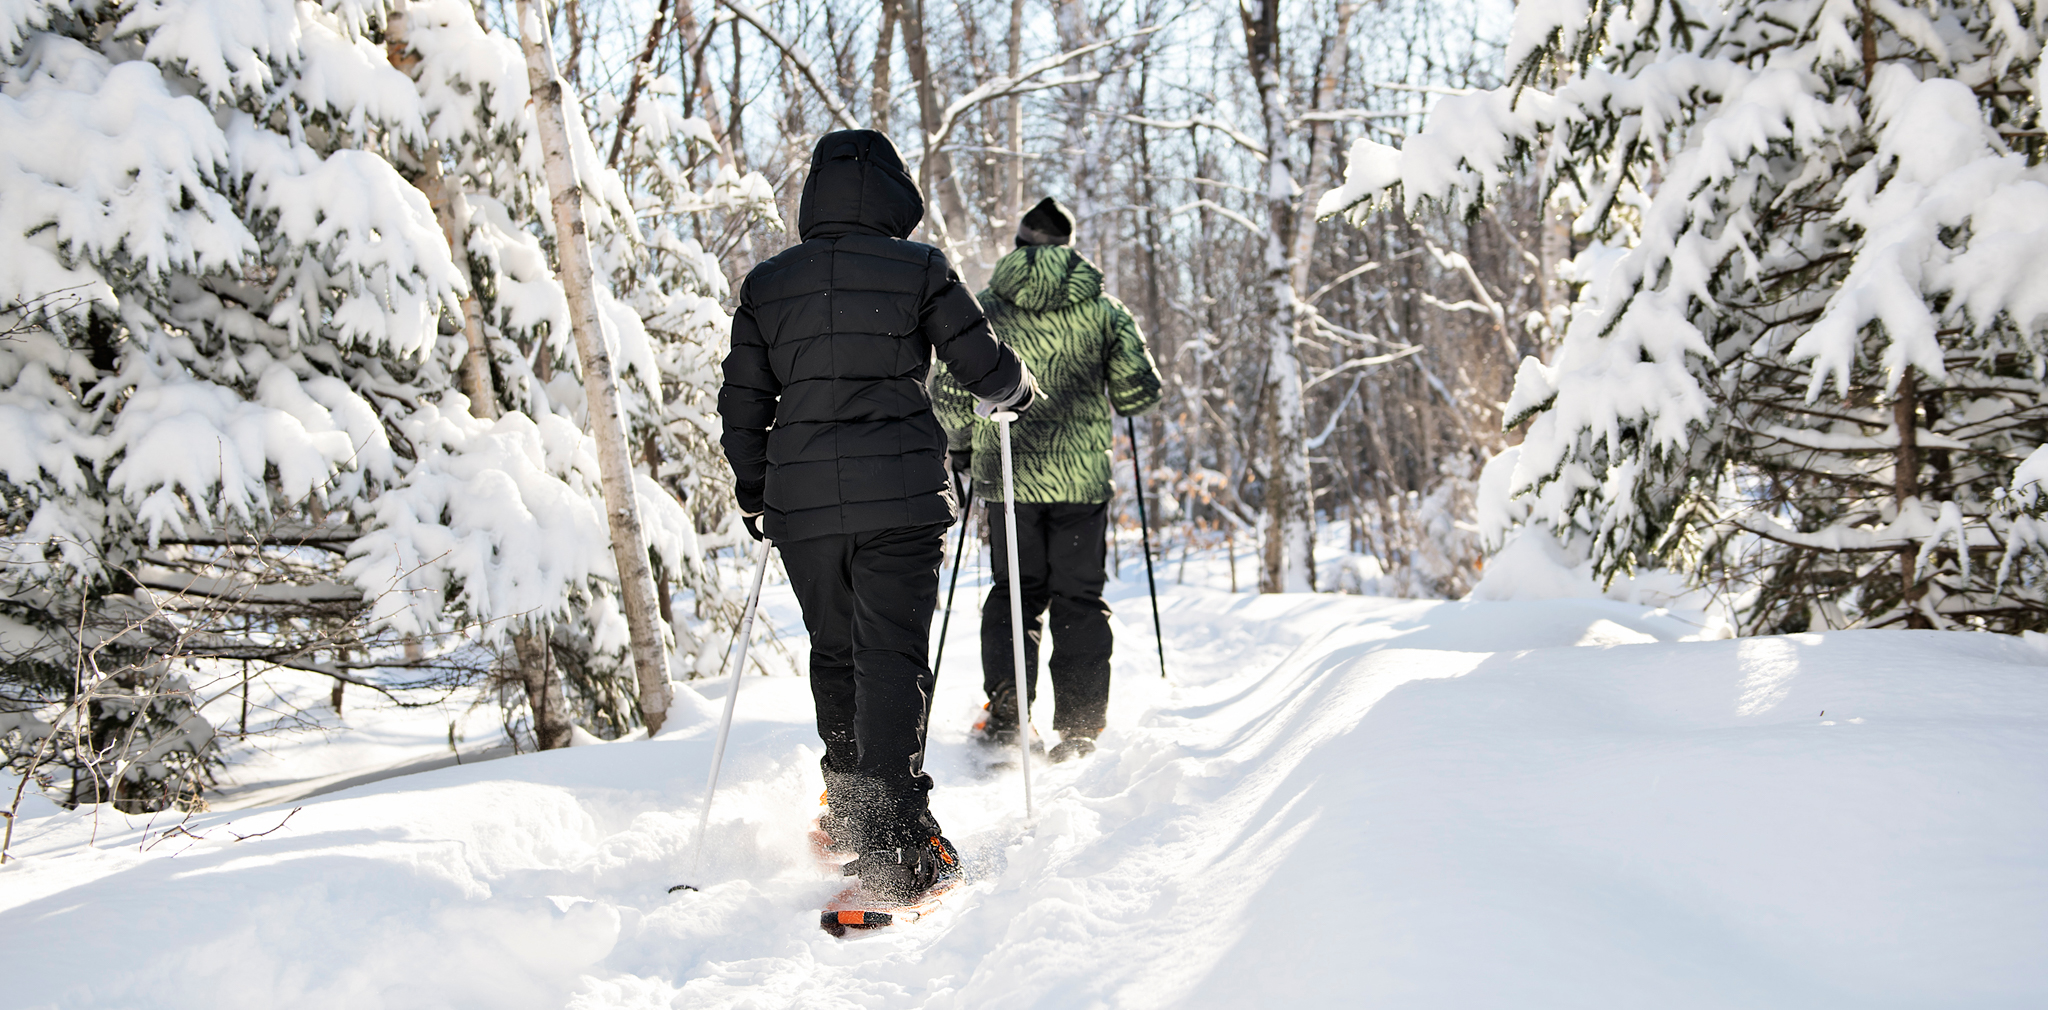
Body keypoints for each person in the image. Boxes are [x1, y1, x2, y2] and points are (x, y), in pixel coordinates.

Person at [718, 130, 1036, 904]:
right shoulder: (918, 267)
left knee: (834, 654)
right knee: (888, 658)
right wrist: (1016, 389)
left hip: (804, 508)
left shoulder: (768, 284)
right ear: (892, 194)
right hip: (898, 500)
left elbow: (743, 402)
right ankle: (896, 845)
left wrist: (758, 490)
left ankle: (859, 819)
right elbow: (983, 367)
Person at [933, 197, 1162, 764]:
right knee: (1079, 598)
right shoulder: (1103, 309)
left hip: (1008, 476)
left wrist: (962, 451)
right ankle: (1080, 729)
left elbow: (948, 394)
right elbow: (1139, 391)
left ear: (1018, 246)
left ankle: (1009, 714)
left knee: (1015, 594)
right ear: (1068, 245)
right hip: (1080, 480)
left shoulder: (983, 307)